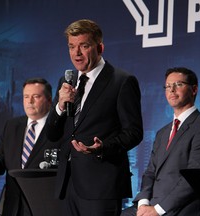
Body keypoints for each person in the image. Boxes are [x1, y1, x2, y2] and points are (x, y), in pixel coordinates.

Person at [45, 19, 144, 216]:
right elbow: (52, 134)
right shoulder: (66, 81)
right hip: (68, 184)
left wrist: (103, 147)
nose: (77, 53)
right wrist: (59, 106)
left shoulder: (121, 81)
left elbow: (134, 132)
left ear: (100, 47)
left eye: (84, 46)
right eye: (72, 47)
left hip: (101, 186)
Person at [121, 67, 200, 216]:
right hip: (153, 204)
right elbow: (150, 172)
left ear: (194, 90)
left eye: (178, 84)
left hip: (181, 210)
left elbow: (193, 180)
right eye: (168, 86)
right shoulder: (162, 133)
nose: (171, 90)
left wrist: (158, 210)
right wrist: (143, 203)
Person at [0, 78, 60, 216]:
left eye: (36, 96)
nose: (29, 101)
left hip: (44, 207)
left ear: (49, 100)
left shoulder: (59, 129)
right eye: (26, 96)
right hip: (13, 206)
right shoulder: (12, 126)